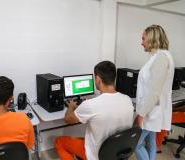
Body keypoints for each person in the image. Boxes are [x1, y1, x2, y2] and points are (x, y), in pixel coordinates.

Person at [54, 61, 134, 160]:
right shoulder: (127, 100)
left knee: (59, 141)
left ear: (97, 79)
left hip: (95, 155)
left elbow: (67, 119)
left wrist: (71, 106)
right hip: (116, 153)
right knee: (81, 139)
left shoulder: (91, 105)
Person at [134, 24, 175, 160]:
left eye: (143, 38)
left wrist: (141, 114)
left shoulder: (161, 58)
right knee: (150, 140)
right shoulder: (158, 56)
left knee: (135, 143)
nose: (141, 42)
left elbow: (154, 92)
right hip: (152, 108)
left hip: (151, 110)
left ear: (152, 39)